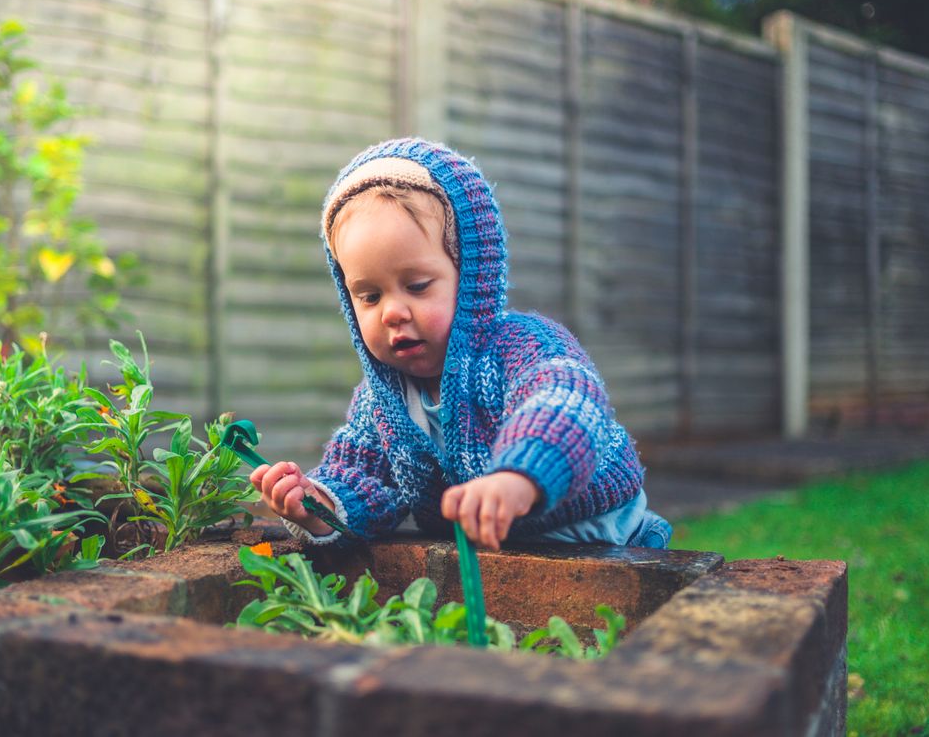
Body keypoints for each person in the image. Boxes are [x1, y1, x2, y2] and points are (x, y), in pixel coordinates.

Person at [249, 138, 671, 551]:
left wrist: (518, 478)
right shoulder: (382, 402)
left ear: (471, 277)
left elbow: (565, 404)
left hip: (601, 535)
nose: (392, 312)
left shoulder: (520, 348)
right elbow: (363, 480)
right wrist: (316, 505)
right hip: (496, 557)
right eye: (370, 296)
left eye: (416, 286)